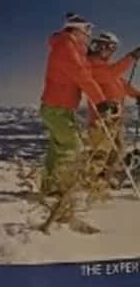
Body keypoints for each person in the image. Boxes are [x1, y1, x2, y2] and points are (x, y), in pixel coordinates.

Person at [38, 12, 98, 231]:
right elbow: (81, 75)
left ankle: (50, 187)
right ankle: (63, 189)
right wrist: (101, 101)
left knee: (58, 147)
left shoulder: (70, 47)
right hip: (57, 108)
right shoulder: (66, 47)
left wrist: (86, 54)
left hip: (59, 108)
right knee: (72, 146)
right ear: (77, 29)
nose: (89, 35)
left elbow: (82, 70)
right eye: (87, 30)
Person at [83, 30, 140, 194]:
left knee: (118, 150)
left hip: (115, 117)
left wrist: (137, 95)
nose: (107, 50)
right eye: (106, 46)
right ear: (98, 45)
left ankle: (103, 181)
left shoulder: (107, 66)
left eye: (112, 48)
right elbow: (111, 74)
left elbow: (120, 83)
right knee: (101, 152)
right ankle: (92, 183)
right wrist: (131, 57)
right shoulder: (91, 64)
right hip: (101, 117)